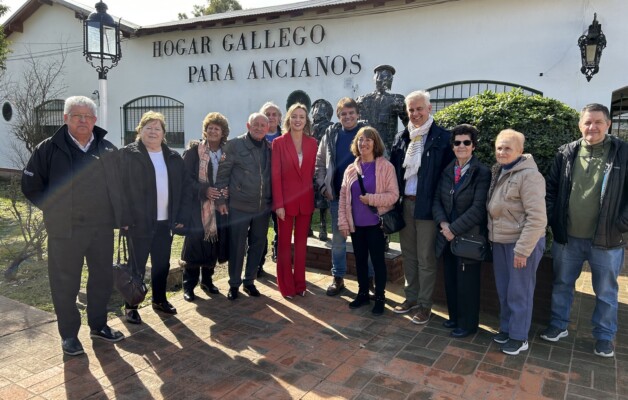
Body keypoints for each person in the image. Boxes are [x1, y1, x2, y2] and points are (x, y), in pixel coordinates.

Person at [21, 95, 125, 356]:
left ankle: (98, 326)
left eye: (88, 117)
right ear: (65, 118)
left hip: (101, 228)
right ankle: (69, 335)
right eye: (77, 116)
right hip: (65, 230)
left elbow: (121, 186)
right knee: (65, 283)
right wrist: (54, 208)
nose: (83, 120)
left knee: (101, 278)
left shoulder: (108, 149)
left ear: (95, 120)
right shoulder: (48, 148)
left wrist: (122, 217)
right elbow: (31, 185)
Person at [541, 103, 628, 358]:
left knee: (606, 292)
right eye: (588, 122)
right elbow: (551, 188)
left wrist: (622, 224)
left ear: (608, 124)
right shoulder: (567, 152)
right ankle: (558, 326)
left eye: (598, 122)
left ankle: (603, 336)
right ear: (580, 125)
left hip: (606, 239)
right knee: (561, 284)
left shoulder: (622, 153)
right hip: (567, 237)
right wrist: (552, 218)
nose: (593, 127)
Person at [390, 90, 454, 324]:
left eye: (419, 109)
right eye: (411, 110)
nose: (415, 113)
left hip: (428, 207)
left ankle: (425, 305)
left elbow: (447, 178)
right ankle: (411, 298)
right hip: (405, 204)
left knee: (426, 257)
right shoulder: (402, 137)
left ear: (429, 109)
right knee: (408, 255)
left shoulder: (443, 138)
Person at [120, 111, 189, 322]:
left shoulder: (173, 157)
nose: (152, 132)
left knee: (162, 264)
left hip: (163, 222)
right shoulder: (128, 155)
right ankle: (131, 306)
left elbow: (183, 189)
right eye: (148, 128)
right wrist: (123, 218)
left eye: (157, 128)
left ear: (163, 133)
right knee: (136, 265)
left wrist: (180, 215)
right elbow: (120, 189)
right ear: (140, 131)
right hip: (137, 223)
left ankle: (159, 299)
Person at [487, 129, 546, 356]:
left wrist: (522, 251)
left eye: (508, 148)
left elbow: (537, 218)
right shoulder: (501, 171)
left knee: (519, 292)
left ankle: (519, 337)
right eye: (499, 147)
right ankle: (506, 328)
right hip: (501, 241)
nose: (502, 152)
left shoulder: (529, 176)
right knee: (505, 290)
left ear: (520, 151)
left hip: (521, 245)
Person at [432, 124, 491, 338]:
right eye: (457, 142)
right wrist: (443, 225)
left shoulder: (482, 172)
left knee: (467, 283)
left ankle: (468, 324)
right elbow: (437, 200)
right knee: (450, 279)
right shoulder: (448, 170)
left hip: (468, 238)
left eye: (467, 142)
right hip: (447, 236)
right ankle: (455, 318)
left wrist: (454, 229)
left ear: (474, 146)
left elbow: (478, 208)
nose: (461, 146)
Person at [338, 127, 399, 315]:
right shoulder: (350, 170)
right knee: (360, 261)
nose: (363, 143)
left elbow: (393, 196)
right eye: (360, 140)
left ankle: (379, 297)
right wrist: (343, 223)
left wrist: (371, 199)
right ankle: (363, 293)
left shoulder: (386, 167)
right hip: (357, 227)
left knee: (378, 263)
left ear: (375, 143)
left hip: (376, 225)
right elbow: (342, 198)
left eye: (368, 140)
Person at [216, 113, 272, 300]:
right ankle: (234, 284)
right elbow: (222, 175)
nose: (259, 128)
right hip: (239, 206)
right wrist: (221, 200)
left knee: (258, 244)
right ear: (248, 125)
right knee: (237, 246)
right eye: (255, 124)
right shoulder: (234, 145)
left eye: (263, 125)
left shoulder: (269, 148)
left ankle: (250, 281)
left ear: (268, 128)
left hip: (262, 207)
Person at [315, 97, 368, 296]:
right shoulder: (331, 133)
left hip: (363, 198)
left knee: (364, 241)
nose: (348, 117)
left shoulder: (366, 133)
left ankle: (368, 279)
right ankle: (338, 278)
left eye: (351, 113)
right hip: (337, 196)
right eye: (343, 114)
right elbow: (320, 162)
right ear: (338, 116)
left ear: (357, 114)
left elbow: (381, 159)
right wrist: (323, 186)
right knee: (338, 241)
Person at [180, 112, 230, 302]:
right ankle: (189, 286)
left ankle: (207, 281)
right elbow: (186, 179)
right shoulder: (194, 151)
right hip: (198, 206)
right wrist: (204, 190)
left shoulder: (227, 152)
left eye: (217, 128)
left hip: (219, 206)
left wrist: (225, 195)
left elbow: (231, 176)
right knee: (195, 245)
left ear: (223, 132)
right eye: (210, 127)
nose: (213, 131)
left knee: (213, 244)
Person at [271, 103, 317, 298]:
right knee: (283, 246)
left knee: (301, 246)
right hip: (285, 203)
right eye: (294, 116)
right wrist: (279, 204)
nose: (298, 120)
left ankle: (300, 284)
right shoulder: (279, 143)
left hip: (305, 202)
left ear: (306, 121)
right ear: (288, 119)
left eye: (302, 117)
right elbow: (275, 175)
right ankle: (286, 286)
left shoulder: (313, 143)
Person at [356, 64, 408, 153]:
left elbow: (409, 124)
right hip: (366, 149)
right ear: (376, 78)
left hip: (388, 150)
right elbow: (354, 126)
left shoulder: (396, 100)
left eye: (389, 77)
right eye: (382, 76)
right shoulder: (363, 100)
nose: (386, 79)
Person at [258, 102, 282, 273]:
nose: (272, 117)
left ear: (280, 118)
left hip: (281, 191)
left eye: (275, 114)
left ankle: (280, 256)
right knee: (259, 229)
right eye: (268, 114)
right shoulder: (256, 137)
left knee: (281, 226)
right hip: (260, 192)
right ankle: (258, 263)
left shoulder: (286, 137)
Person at [311, 99, 334, 241]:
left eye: (322, 108)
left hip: (322, 167)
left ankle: (323, 226)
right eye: (316, 107)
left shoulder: (331, 127)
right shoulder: (308, 126)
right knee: (308, 198)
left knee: (323, 197)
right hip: (307, 167)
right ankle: (307, 226)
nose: (318, 110)